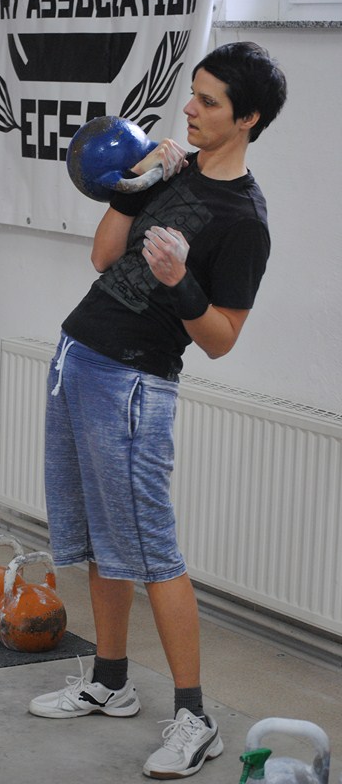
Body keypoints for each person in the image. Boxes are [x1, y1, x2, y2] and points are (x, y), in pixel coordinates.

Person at [29, 41, 287, 779]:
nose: (189, 109)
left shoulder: (245, 219)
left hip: (134, 386)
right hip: (79, 356)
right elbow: (102, 257)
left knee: (153, 552)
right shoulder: (171, 172)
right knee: (95, 537)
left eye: (208, 101)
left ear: (248, 118)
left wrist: (179, 281)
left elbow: (222, 338)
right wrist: (135, 185)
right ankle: (110, 682)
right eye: (193, 93)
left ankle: (195, 719)